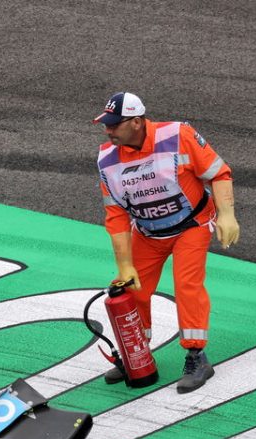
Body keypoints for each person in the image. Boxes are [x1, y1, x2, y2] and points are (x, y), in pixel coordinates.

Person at [94, 91, 239, 393]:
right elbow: (116, 215)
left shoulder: (178, 136)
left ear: (136, 122)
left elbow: (219, 172)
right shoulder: (107, 159)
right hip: (147, 233)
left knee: (187, 285)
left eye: (114, 124)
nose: (108, 131)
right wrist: (124, 265)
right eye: (106, 125)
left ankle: (197, 356)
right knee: (131, 289)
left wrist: (227, 215)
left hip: (192, 226)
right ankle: (137, 355)